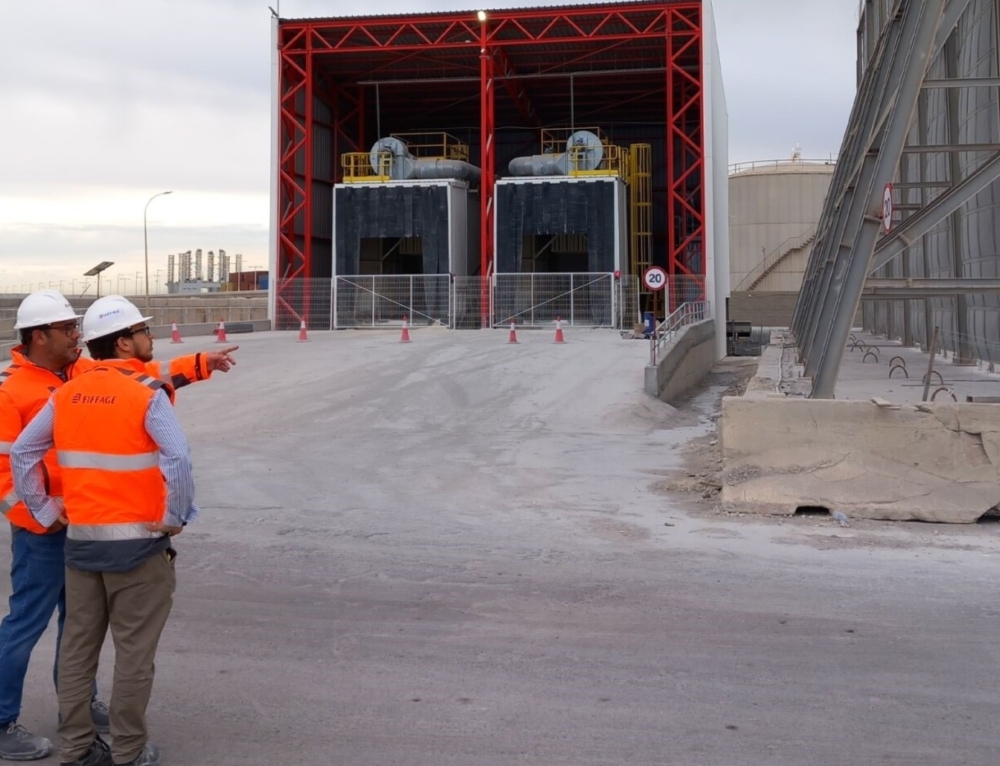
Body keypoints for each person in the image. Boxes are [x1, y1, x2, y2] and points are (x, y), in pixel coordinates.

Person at [0, 291, 235, 763]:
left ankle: (79, 712)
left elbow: (143, 376)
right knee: (26, 624)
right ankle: (2, 720)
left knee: (78, 632)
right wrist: (41, 515)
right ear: (38, 336)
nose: (77, 336)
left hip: (88, 526)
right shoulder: (11, 391)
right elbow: (7, 470)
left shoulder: (77, 376)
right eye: (68, 329)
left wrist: (200, 364)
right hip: (44, 533)